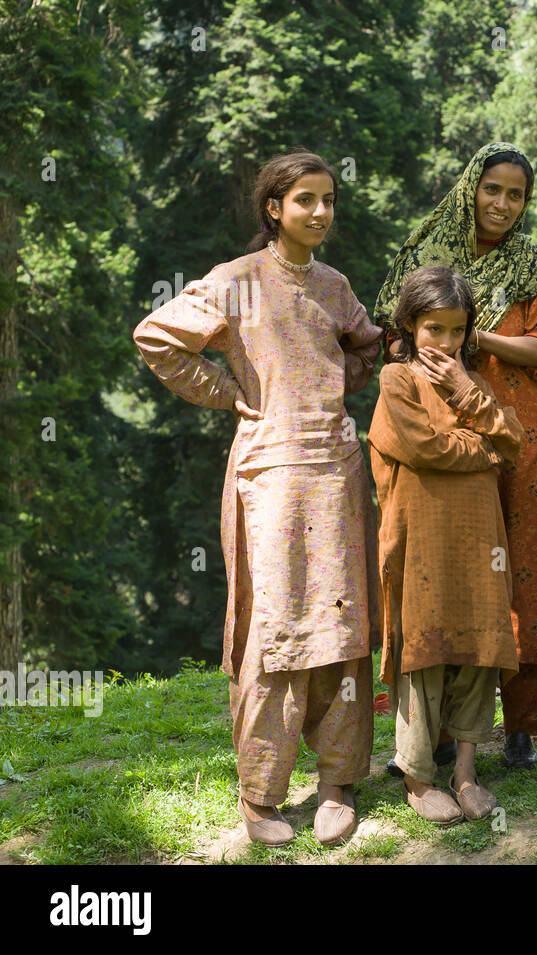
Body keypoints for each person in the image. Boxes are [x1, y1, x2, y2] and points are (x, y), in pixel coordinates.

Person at [133, 151, 383, 846]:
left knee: (342, 623)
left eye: (329, 199)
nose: (321, 212)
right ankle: (262, 793)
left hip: (336, 472)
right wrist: (230, 392)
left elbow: (366, 346)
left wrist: (336, 390)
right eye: (306, 200)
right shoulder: (236, 282)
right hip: (267, 474)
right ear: (274, 208)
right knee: (273, 628)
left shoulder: (333, 285)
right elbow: (157, 337)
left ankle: (337, 782)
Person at [374, 143, 537, 769]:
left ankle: (521, 727)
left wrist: (474, 334)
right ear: (471, 188)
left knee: (533, 576)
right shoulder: (424, 255)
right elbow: (391, 339)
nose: (502, 203)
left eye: (516, 194)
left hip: (526, 435)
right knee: (446, 574)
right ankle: (434, 736)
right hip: (442, 435)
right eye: (493, 188)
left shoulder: (533, 264)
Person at [369, 266, 524, 823]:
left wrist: (467, 394)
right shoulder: (397, 381)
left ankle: (465, 771)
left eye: (457, 331)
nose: (446, 342)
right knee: (424, 652)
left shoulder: (469, 381)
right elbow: (426, 448)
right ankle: (416, 777)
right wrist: (483, 451)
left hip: (481, 538)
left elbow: (514, 440)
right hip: (421, 539)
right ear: (410, 325)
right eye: (435, 329)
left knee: (481, 645)